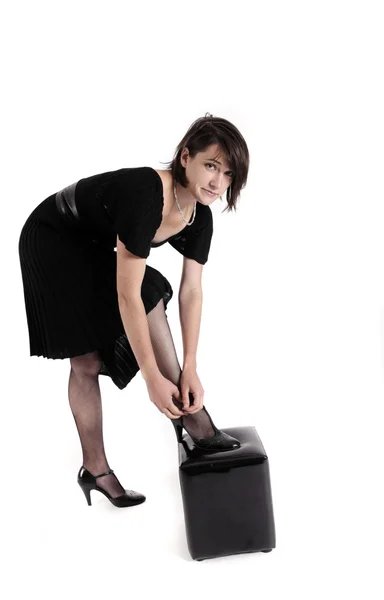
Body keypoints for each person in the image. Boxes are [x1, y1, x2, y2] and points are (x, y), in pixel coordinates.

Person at [18, 113, 250, 508]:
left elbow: (192, 290)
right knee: (88, 355)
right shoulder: (146, 194)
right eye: (211, 166)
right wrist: (152, 378)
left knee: (144, 295)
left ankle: (180, 418)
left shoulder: (200, 217)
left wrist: (191, 365)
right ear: (185, 157)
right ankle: (119, 457)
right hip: (52, 238)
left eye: (228, 174)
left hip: (89, 242)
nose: (217, 182)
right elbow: (128, 296)